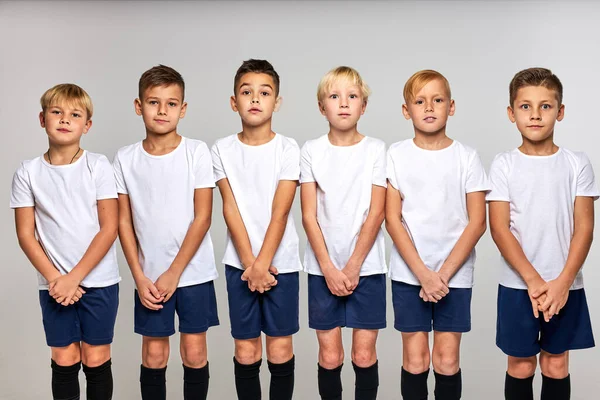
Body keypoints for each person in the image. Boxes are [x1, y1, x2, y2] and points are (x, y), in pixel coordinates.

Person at [487, 67, 597, 400]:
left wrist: (562, 282)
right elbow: (499, 228)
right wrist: (534, 281)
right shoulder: (504, 164)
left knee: (556, 365)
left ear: (560, 111)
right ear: (511, 113)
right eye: (525, 106)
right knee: (521, 365)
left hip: (565, 284)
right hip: (520, 285)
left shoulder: (577, 163)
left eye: (545, 106)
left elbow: (585, 228)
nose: (535, 115)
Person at [113, 65, 219, 400]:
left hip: (193, 274)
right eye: (153, 102)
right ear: (138, 106)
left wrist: (175, 272)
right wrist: (140, 277)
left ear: (182, 109)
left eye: (171, 103)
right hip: (150, 278)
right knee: (154, 356)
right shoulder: (125, 159)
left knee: (194, 354)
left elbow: (203, 217)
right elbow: (123, 223)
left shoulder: (196, 152)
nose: (162, 110)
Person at [11, 83, 120, 400]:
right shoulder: (28, 172)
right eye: (56, 112)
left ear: (87, 125)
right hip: (54, 286)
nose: (64, 119)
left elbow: (108, 227)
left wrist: (75, 277)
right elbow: (25, 234)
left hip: (98, 281)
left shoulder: (97, 166)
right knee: (64, 359)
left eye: (74, 114)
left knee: (96, 359)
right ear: (42, 118)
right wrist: (57, 279)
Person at [385, 70, 488, 400]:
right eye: (419, 101)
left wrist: (440, 276)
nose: (429, 107)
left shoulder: (467, 157)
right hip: (409, 275)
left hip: (453, 277)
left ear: (451, 106)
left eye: (438, 100)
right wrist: (423, 275)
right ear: (406, 110)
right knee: (415, 361)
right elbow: (392, 219)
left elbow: (477, 223)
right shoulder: (396, 156)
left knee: (446, 360)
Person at [300, 66, 387, 400]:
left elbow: (377, 212)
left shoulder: (377, 149)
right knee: (330, 355)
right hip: (323, 270)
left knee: (363, 356)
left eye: (352, 97)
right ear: (322, 107)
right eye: (334, 97)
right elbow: (308, 215)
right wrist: (328, 268)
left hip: (367, 268)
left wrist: (352, 267)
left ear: (363, 106)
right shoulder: (311, 150)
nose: (344, 103)